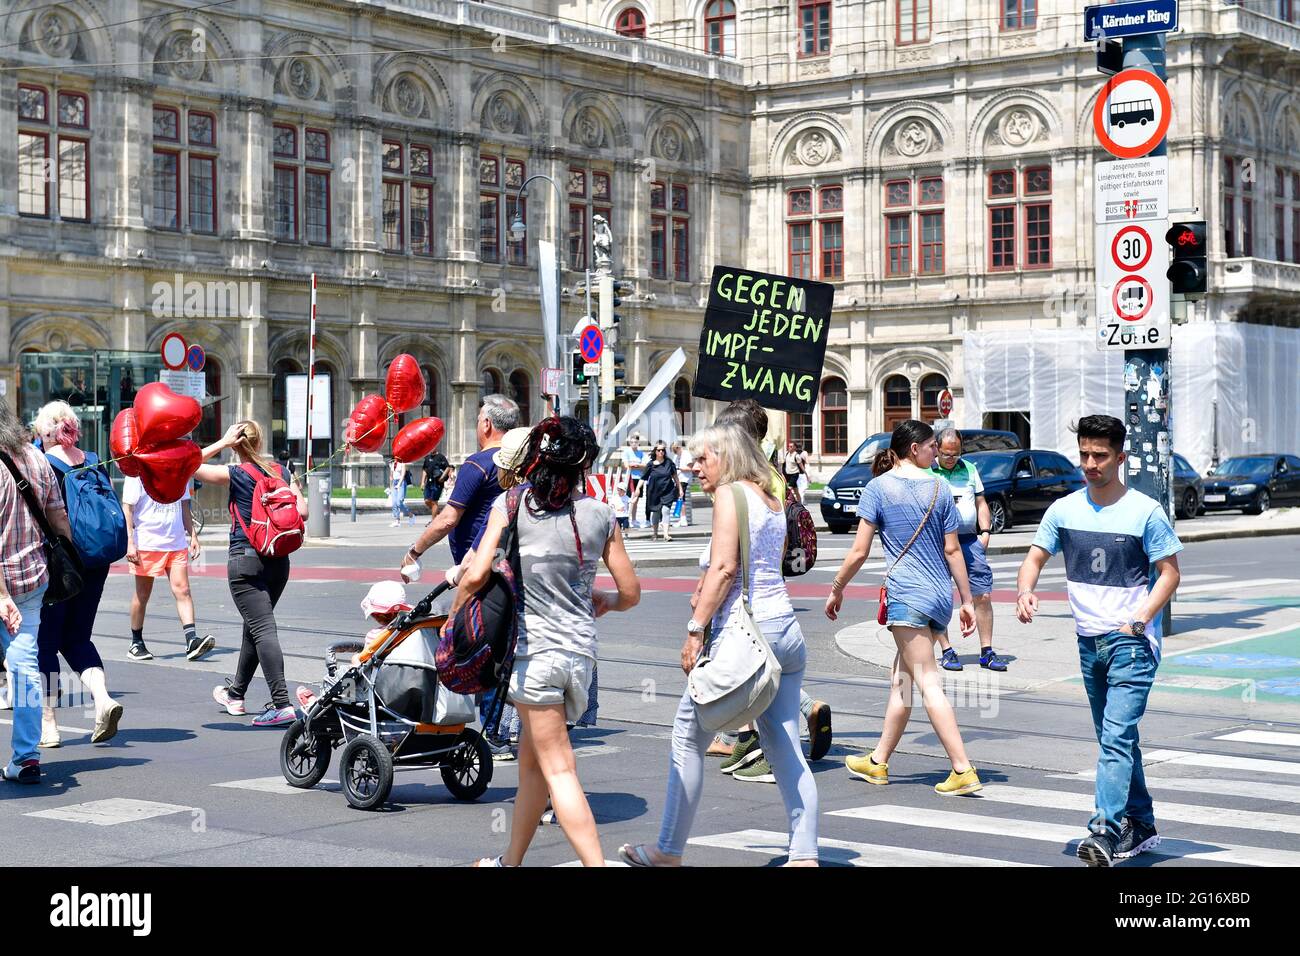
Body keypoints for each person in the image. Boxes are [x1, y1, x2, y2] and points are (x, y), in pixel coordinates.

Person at [620, 423, 819, 866]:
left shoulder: (731, 495)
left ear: (726, 456)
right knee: (784, 744)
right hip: (785, 629)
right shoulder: (771, 495)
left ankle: (667, 850)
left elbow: (726, 568)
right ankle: (804, 853)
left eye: (702, 458)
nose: (693, 467)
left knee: (687, 736)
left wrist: (695, 628)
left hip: (746, 636)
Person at [459, 416, 640, 867]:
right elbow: (631, 593)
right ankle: (509, 862)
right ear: (584, 466)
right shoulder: (601, 515)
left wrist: (455, 618)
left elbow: (478, 573)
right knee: (533, 769)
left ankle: (595, 866)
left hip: (535, 656)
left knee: (559, 770)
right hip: (580, 658)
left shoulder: (511, 504)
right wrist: (605, 601)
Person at [1016, 414, 1182, 867]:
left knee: (1114, 738)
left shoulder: (1145, 510)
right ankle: (1142, 823)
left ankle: (1105, 831)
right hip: (1088, 643)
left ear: (1120, 458)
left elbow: (1170, 574)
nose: (1090, 463)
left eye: (1100, 456)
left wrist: (1140, 620)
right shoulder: (1064, 509)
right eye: (1085, 454)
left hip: (1131, 642)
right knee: (1116, 739)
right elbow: (1033, 558)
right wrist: (1026, 589)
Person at [825, 419, 982, 795]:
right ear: (915, 449)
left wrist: (837, 587)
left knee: (927, 682)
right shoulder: (940, 489)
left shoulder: (878, 489)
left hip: (907, 596)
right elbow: (952, 549)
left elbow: (860, 551)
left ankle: (962, 768)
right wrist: (966, 600)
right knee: (902, 682)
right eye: (932, 447)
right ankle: (878, 761)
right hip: (938, 596)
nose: (936, 453)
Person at [706, 399, 832, 771]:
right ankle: (758, 735)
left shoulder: (743, 485)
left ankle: (749, 741)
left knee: (749, 673)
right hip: (775, 594)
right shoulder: (772, 476)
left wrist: (700, 618)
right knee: (767, 670)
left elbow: (731, 557)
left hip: (749, 598)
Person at [195, 421, 309, 727]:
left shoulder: (236, 473)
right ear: (259, 443)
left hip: (245, 560)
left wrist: (221, 442)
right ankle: (236, 694)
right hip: (279, 560)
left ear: (237, 445)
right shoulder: (282, 471)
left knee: (262, 629)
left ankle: (282, 703)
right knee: (255, 627)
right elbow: (304, 511)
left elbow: (190, 466)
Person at [33, 402, 124, 748]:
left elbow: (53, 519)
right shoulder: (92, 458)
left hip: (60, 566)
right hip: (96, 562)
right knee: (77, 638)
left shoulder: (45, 465)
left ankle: (48, 723)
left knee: (46, 644)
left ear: (47, 433)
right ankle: (102, 699)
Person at [0, 400, 74, 783]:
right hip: (32, 578)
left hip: (4, 584)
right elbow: (59, 516)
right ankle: (26, 757)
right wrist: (69, 553)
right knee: (25, 667)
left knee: (21, 666)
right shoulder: (35, 456)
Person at [400, 394, 521, 575]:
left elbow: (448, 519)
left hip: (478, 562)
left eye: (479, 420)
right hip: (513, 557)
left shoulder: (478, 464)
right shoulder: (524, 461)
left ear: (487, 424)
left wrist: (414, 552)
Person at [929, 428, 1006, 672]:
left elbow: (981, 502)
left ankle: (987, 651)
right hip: (938, 543)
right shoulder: (928, 471)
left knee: (982, 594)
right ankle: (947, 650)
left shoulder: (970, 469)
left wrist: (985, 532)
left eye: (956, 453)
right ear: (937, 449)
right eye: (946, 454)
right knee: (939, 597)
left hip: (969, 541)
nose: (952, 458)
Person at [122, 473, 216, 664]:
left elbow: (184, 506)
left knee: (183, 590)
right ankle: (136, 642)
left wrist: (193, 535)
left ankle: (191, 640)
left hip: (176, 541)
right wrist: (130, 541)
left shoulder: (176, 469)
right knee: (143, 593)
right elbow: (128, 509)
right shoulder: (137, 471)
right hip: (147, 542)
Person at [634, 442, 682, 541]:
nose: (661, 452)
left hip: (667, 491)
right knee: (656, 513)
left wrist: (680, 488)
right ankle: (655, 533)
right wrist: (638, 488)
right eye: (659, 450)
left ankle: (666, 534)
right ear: (655, 451)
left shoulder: (669, 463)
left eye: (663, 450)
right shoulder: (651, 464)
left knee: (666, 511)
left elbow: (675, 477)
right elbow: (643, 478)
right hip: (654, 492)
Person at [422, 448, 452, 524]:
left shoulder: (441, 457)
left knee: (434, 501)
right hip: (429, 482)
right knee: (427, 501)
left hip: (437, 483)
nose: (431, 449)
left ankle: (433, 521)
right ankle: (438, 514)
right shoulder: (427, 458)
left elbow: (448, 467)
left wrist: (443, 477)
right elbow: (425, 470)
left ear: (436, 447)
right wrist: (422, 482)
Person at [389, 458, 414, 527]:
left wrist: (399, 484)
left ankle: (410, 515)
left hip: (401, 483)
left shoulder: (403, 463)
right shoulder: (392, 464)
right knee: (394, 502)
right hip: (394, 482)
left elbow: (403, 475)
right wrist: (390, 487)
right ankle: (397, 520)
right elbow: (391, 476)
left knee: (399, 502)